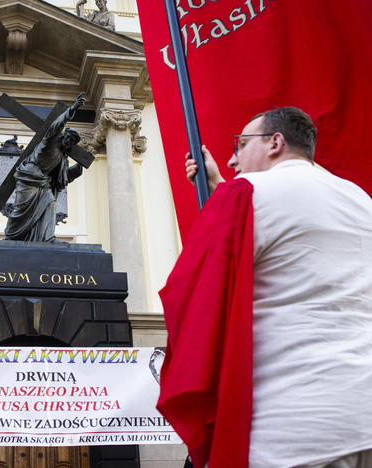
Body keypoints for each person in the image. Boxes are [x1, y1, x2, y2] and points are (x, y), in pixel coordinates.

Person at [159, 107, 372, 468]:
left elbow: (191, 294)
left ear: (275, 142)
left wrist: (223, 195)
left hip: (293, 425)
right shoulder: (361, 199)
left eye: (241, 145)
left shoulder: (244, 195)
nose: (231, 159)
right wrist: (218, 189)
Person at [4, 93, 85, 242]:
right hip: (28, 177)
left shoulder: (61, 156)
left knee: (50, 202)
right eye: (69, 137)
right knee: (20, 211)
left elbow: (61, 178)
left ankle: (48, 238)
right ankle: (10, 235)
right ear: (63, 135)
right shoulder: (49, 141)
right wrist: (72, 109)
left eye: (73, 141)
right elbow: (55, 126)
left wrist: (78, 167)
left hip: (43, 182)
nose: (69, 141)